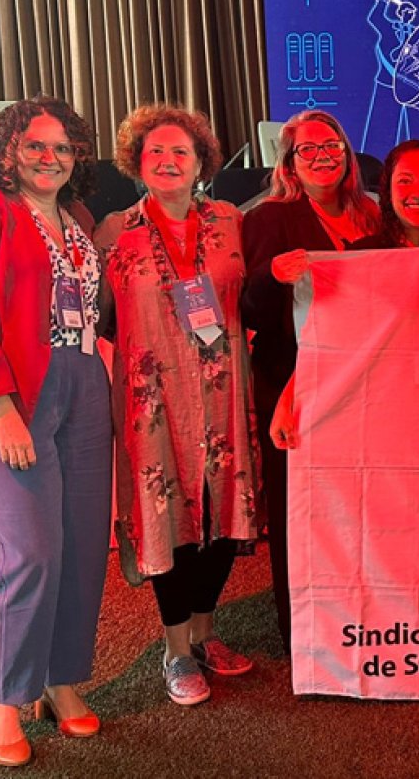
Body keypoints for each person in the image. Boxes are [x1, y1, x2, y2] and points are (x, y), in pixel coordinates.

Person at [0, 97, 110, 766]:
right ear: (6, 150)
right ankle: (3, 698)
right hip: (13, 392)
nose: (50, 157)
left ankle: (60, 680)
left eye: (63, 148)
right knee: (30, 551)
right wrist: (2, 408)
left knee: (83, 547)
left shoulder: (79, 219)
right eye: (35, 145)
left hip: (85, 383)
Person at [95, 104, 261, 706]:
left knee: (222, 511)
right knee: (166, 514)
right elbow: (98, 317)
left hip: (223, 393)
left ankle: (207, 632)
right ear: (137, 164)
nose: (167, 161)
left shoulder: (229, 221)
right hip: (152, 400)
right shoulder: (116, 230)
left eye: (180, 153)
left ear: (201, 164)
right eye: (155, 152)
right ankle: (175, 649)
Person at [240, 110, 379, 654]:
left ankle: (362, 615)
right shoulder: (269, 218)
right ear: (290, 163)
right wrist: (273, 279)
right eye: (309, 150)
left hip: (363, 377)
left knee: (358, 500)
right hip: (290, 379)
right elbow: (250, 311)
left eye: (333, 147)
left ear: (347, 154)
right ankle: (301, 631)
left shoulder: (370, 213)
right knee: (300, 505)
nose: (323, 156)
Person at [268, 140, 419, 451]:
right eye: (405, 181)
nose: (418, 191)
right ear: (387, 190)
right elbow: (328, 338)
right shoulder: (364, 258)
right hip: (383, 406)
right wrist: (288, 399)